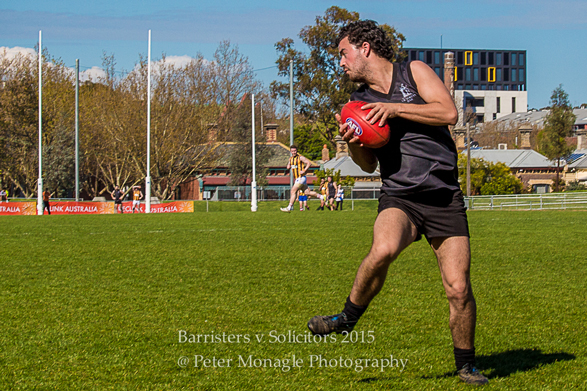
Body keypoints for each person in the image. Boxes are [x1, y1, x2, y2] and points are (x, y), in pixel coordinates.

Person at [306, 20, 488, 386]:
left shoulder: (413, 72)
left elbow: (448, 113)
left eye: (343, 53)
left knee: (458, 287)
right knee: (383, 248)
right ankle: (347, 318)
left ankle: (466, 364)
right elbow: (368, 164)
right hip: (400, 196)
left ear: (365, 49)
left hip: (442, 196)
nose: (340, 62)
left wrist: (395, 109)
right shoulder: (358, 104)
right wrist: (354, 141)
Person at [281, 145, 323, 212]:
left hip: (301, 178)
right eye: (292, 151)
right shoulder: (291, 159)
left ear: (296, 151)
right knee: (307, 192)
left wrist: (304, 170)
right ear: (290, 151)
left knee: (293, 191)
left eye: (295, 151)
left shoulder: (300, 158)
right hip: (298, 178)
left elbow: (309, 163)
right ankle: (321, 197)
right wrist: (288, 166)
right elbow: (288, 165)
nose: (294, 152)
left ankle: (289, 207)